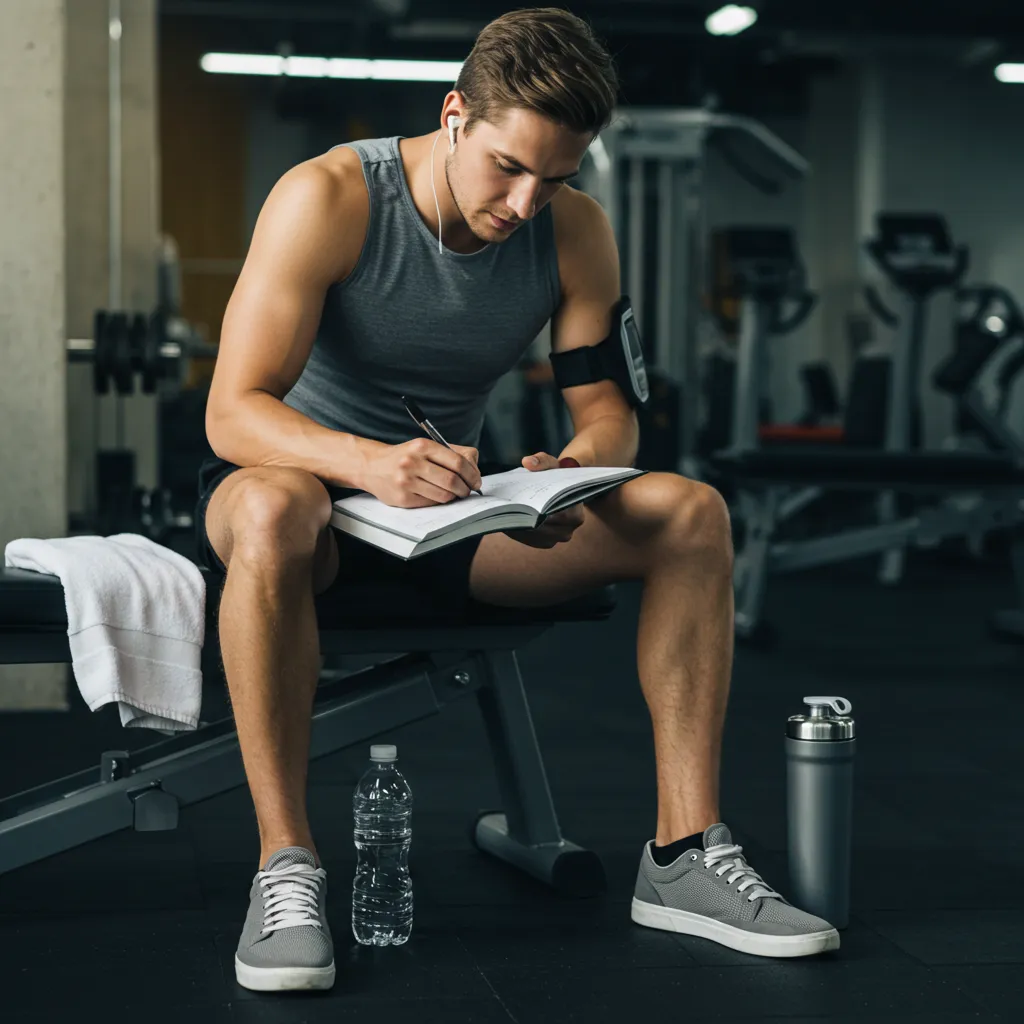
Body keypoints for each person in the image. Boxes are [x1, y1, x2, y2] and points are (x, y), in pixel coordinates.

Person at [198, 6, 840, 994]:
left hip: (445, 514)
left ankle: (682, 856)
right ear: (455, 113)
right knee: (278, 508)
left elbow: (609, 415)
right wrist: (368, 463)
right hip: (297, 497)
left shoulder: (573, 231)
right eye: (508, 167)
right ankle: (285, 865)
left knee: (690, 514)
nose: (527, 201)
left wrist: (569, 470)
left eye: (557, 177)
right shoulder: (329, 196)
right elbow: (232, 412)